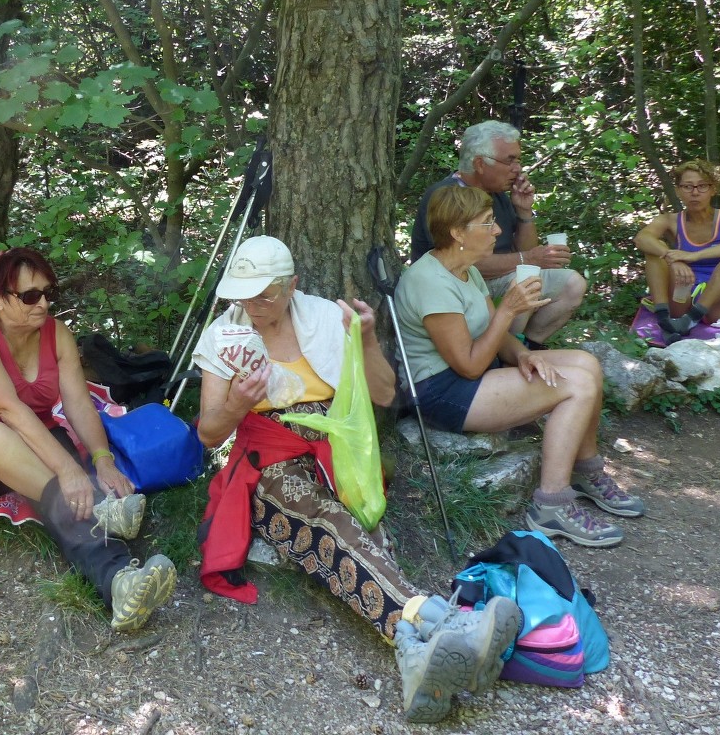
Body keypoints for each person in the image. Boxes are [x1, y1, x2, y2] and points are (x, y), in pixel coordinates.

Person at [192, 235, 521, 725]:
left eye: (265, 294)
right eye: (245, 294)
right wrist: (239, 402)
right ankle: (443, 620)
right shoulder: (225, 335)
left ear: (292, 287)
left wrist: (365, 337)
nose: (253, 306)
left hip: (338, 451)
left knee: (365, 534)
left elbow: (386, 394)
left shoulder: (326, 317)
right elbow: (208, 433)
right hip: (269, 462)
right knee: (328, 522)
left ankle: (415, 656)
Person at [0, 247, 176, 632]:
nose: (43, 303)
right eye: (29, 296)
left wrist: (101, 460)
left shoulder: (57, 333)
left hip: (37, 438)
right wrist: (67, 469)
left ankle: (120, 583)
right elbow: (7, 409)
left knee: (69, 503)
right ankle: (100, 508)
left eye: (48, 292)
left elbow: (78, 403)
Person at [396, 186, 645, 549]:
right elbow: (467, 365)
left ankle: (588, 471)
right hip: (444, 391)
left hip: (475, 371)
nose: (497, 231)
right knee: (575, 386)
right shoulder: (429, 282)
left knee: (586, 364)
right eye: (487, 223)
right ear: (457, 233)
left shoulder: (465, 269)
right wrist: (508, 310)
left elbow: (490, 334)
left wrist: (522, 354)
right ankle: (551, 505)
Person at [410, 120, 585, 349]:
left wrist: (524, 211)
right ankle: (503, 351)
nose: (518, 169)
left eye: (518, 160)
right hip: (454, 285)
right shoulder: (448, 198)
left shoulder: (498, 195)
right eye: (510, 160)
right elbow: (464, 264)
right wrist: (529, 259)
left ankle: (526, 346)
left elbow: (524, 252)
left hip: (495, 278)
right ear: (480, 164)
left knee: (572, 284)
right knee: (524, 279)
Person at [633, 159, 720, 338]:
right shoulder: (669, 220)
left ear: (713, 189)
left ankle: (691, 319)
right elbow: (642, 238)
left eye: (702, 186)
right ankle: (665, 320)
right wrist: (671, 257)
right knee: (654, 250)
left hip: (719, 303)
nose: (695, 193)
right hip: (683, 294)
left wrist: (694, 256)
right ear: (678, 191)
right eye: (687, 187)